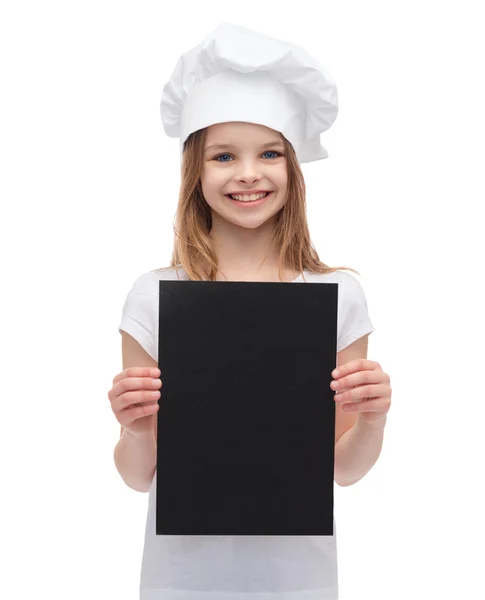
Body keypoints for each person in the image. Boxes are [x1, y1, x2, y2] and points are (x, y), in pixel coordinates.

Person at [109, 22, 392, 600]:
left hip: (296, 577)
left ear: (292, 167)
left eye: (268, 152)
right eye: (223, 155)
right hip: (182, 577)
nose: (247, 173)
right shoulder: (154, 294)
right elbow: (140, 476)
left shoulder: (338, 294)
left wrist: (374, 417)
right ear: (196, 171)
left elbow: (342, 469)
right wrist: (135, 427)